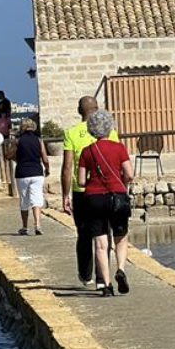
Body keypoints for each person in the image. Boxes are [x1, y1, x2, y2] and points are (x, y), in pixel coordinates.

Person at [61, 96, 119, 287]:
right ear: (98, 109)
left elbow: (67, 167)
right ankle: (103, 278)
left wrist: (65, 195)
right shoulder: (110, 132)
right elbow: (118, 162)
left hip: (82, 191)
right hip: (107, 191)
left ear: (79, 111)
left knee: (84, 233)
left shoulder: (71, 133)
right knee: (104, 233)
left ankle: (86, 274)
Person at [77, 109, 133, 297]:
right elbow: (130, 174)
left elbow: (81, 181)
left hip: (93, 199)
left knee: (100, 243)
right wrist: (121, 181)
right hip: (117, 196)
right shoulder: (119, 148)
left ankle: (106, 285)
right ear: (110, 128)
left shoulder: (87, 151)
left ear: (92, 130)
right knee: (120, 237)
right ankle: (121, 269)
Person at [15, 118, 49, 236]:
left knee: (24, 200)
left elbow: (8, 154)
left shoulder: (18, 140)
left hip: (22, 173)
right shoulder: (39, 140)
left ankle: (25, 227)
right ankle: (37, 224)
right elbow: (44, 157)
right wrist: (47, 169)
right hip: (37, 172)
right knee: (37, 199)